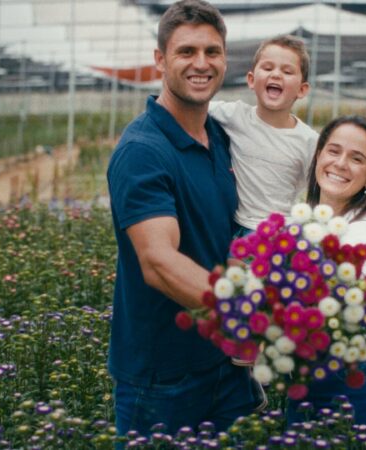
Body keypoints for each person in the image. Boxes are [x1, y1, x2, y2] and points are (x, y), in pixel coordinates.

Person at [106, 0, 263, 437]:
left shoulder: (220, 135)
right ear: (160, 60)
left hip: (228, 366)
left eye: (212, 52)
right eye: (186, 52)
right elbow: (158, 262)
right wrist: (245, 312)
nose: (201, 63)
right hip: (163, 377)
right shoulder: (144, 150)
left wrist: (364, 202)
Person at [287, 115, 366, 449]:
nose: (340, 163)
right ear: (318, 156)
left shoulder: (365, 233)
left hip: (359, 383)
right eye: (333, 151)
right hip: (309, 376)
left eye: (357, 158)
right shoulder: (303, 219)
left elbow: (317, 292)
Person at [209, 34, 319, 234]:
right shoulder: (235, 115)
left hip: (281, 233)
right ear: (251, 80)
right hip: (235, 227)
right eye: (268, 68)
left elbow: (327, 184)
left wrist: (364, 202)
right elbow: (194, 106)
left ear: (302, 90)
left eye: (287, 71)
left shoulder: (309, 140)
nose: (276, 74)